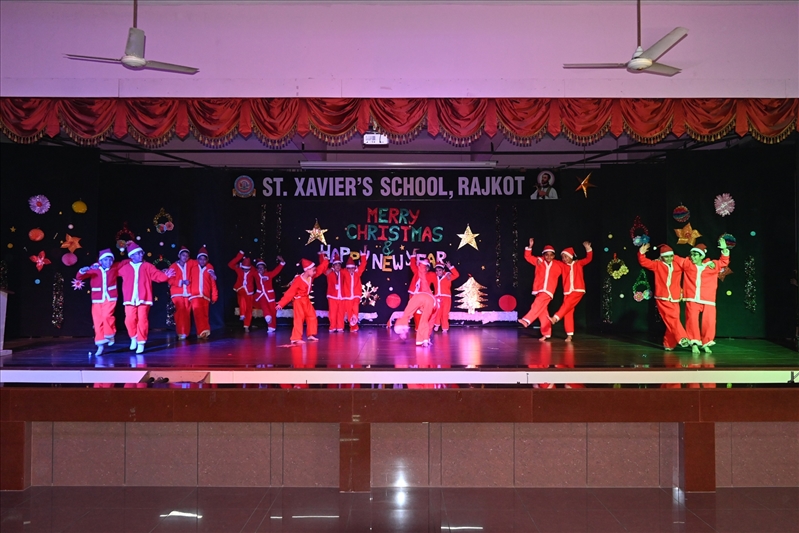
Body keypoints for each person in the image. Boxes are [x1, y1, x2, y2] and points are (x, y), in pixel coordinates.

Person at [117, 241, 174, 354]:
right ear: (132, 256)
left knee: (142, 320)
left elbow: (157, 275)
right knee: (129, 319)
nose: (140, 255)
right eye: (137, 253)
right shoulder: (125, 267)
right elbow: (112, 271)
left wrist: (165, 276)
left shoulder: (147, 266)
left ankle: (141, 342)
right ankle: (133, 337)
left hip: (144, 298)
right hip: (129, 299)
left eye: (141, 253)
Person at [679, 238, 730, 355]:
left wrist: (724, 249)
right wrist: (660, 259)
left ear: (701, 256)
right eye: (692, 255)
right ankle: (694, 344)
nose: (693, 257)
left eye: (695, 255)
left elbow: (724, 262)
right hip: (692, 298)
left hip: (708, 299)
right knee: (692, 321)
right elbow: (675, 260)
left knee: (709, 322)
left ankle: (706, 343)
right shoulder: (687, 264)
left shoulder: (712, 265)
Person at [638, 243, 690, 351]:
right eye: (666, 257)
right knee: (672, 319)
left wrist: (675, 257)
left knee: (673, 320)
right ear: (662, 257)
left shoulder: (678, 264)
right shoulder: (658, 265)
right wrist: (641, 254)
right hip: (662, 297)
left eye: (671, 256)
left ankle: (668, 344)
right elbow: (644, 262)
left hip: (675, 297)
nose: (669, 259)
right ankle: (682, 338)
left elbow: (687, 263)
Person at [276, 252, 329, 344]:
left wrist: (325, 260)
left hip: (306, 299)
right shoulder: (298, 280)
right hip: (298, 300)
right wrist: (281, 303)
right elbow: (290, 292)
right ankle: (295, 338)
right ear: (307, 270)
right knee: (299, 318)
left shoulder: (311, 276)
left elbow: (321, 269)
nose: (315, 272)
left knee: (311, 315)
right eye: (313, 270)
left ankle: (311, 334)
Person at [76, 248, 120, 355]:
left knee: (106, 316)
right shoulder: (95, 268)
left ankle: (110, 334)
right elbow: (79, 277)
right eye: (105, 260)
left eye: (110, 260)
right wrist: (83, 270)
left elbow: (126, 262)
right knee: (97, 321)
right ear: (101, 261)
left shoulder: (114, 268)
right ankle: (100, 344)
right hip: (97, 299)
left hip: (110, 297)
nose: (108, 262)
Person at [518, 238, 561, 341]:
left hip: (548, 290)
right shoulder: (539, 261)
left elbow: (568, 266)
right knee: (542, 312)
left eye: (551, 255)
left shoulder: (558, 264)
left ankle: (527, 320)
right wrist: (530, 247)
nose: (549, 257)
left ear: (554, 256)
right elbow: (528, 257)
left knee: (536, 304)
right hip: (539, 289)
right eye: (547, 255)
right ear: (543, 255)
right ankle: (547, 333)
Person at [550, 242, 592, 341]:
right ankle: (569, 334)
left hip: (578, 290)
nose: (564, 259)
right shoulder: (562, 265)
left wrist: (588, 248)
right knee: (568, 312)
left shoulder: (578, 263)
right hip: (567, 291)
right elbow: (552, 260)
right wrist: (541, 259)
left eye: (566, 257)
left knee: (566, 305)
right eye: (563, 257)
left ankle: (555, 318)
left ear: (571, 256)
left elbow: (588, 259)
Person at [393, 255, 437, 347]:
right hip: (425, 297)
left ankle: (403, 329)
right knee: (424, 320)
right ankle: (423, 340)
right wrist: (427, 337)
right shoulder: (434, 307)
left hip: (420, 296)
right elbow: (430, 324)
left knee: (407, 313)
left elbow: (423, 277)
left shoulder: (429, 276)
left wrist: (422, 264)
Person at [188, 246, 218, 339]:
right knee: (198, 314)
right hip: (195, 295)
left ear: (207, 260)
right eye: (200, 259)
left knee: (205, 314)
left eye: (204, 259)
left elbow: (213, 284)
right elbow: (189, 280)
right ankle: (201, 332)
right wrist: (188, 293)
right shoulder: (193, 267)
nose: (202, 261)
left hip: (205, 295)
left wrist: (214, 296)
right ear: (197, 259)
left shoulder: (209, 268)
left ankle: (204, 331)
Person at [167, 246, 193, 340]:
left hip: (188, 293)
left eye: (187, 256)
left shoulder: (189, 265)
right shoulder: (173, 266)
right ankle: (181, 332)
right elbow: (170, 280)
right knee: (180, 312)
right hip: (177, 293)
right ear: (179, 256)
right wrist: (181, 282)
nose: (185, 257)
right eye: (183, 255)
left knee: (187, 312)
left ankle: (186, 332)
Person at [254, 256, 285, 333]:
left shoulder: (269, 274)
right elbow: (249, 269)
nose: (260, 269)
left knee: (272, 311)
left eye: (262, 268)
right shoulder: (255, 274)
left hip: (270, 296)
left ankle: (272, 327)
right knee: (264, 307)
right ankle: (267, 316)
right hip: (261, 295)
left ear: (265, 269)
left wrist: (282, 262)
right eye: (259, 268)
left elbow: (276, 271)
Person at [342, 247, 369, 332]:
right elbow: (338, 269)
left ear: (354, 268)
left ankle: (354, 326)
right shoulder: (345, 273)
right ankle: (352, 327)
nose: (351, 270)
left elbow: (363, 264)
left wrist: (363, 254)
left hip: (356, 295)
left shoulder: (357, 273)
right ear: (347, 269)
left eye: (352, 268)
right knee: (349, 312)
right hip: (347, 296)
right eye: (349, 268)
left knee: (355, 311)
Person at [228, 250, 255, 332]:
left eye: (247, 269)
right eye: (244, 269)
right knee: (242, 297)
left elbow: (259, 275)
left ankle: (246, 325)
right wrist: (240, 255)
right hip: (240, 288)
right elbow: (230, 264)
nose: (245, 271)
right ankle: (242, 314)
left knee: (249, 308)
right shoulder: (239, 268)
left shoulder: (253, 270)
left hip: (249, 291)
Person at [431, 261, 460, 333]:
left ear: (443, 270)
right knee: (437, 312)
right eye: (436, 271)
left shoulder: (447, 276)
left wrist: (450, 267)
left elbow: (456, 275)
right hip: (437, 297)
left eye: (440, 270)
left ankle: (445, 328)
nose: (438, 272)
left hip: (446, 297)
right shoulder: (434, 277)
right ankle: (437, 324)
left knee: (445, 313)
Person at [325, 252, 346, 332]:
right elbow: (326, 272)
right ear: (333, 265)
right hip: (332, 295)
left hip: (341, 296)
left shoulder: (343, 273)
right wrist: (332, 269)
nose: (338, 266)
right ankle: (332, 327)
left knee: (341, 312)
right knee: (332, 312)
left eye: (339, 265)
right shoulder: (330, 273)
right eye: (336, 265)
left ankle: (340, 327)